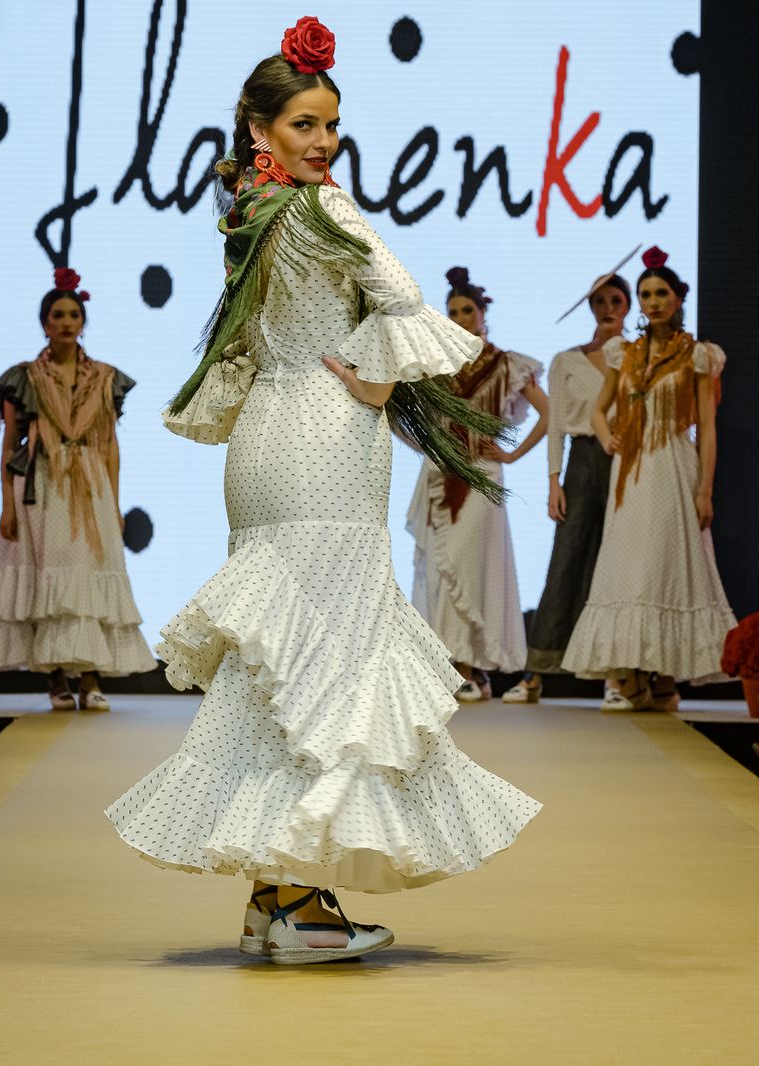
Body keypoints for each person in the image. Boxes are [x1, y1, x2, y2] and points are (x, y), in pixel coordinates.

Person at [107, 18, 540, 966]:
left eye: (331, 125)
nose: (323, 142)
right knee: (333, 663)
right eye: (305, 123)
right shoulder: (323, 210)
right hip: (328, 442)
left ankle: (278, 893)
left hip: (265, 442)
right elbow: (402, 293)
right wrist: (381, 380)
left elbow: (249, 346)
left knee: (279, 662)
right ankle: (301, 904)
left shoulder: (245, 213)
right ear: (259, 128)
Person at [0, 269, 156, 710]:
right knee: (49, 576)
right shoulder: (22, 378)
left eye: (74, 314)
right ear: (44, 323)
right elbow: (9, 447)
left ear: (84, 322)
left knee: (87, 574)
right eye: (57, 315)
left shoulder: (105, 378)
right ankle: (58, 679)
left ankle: (91, 677)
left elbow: (112, 446)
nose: (66, 322)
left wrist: (115, 503)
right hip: (40, 485)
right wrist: (6, 506)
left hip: (89, 486)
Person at [561, 247, 737, 710]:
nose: (653, 301)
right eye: (645, 294)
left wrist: (704, 489)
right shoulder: (625, 353)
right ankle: (631, 674)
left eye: (661, 293)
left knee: (664, 565)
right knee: (627, 565)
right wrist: (607, 438)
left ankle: (662, 677)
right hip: (631, 470)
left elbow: (708, 428)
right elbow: (600, 411)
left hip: (672, 464)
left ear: (678, 298)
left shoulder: (697, 355)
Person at [406, 266, 546, 701]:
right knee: (442, 572)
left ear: (483, 313)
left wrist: (512, 452)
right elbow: (402, 415)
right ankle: (461, 670)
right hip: (441, 473)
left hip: (482, 478)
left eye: (467, 310)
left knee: (470, 568)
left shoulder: (507, 365)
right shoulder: (434, 365)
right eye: (453, 311)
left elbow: (550, 413)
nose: (461, 317)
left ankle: (471, 668)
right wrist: (429, 445)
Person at [515, 268, 633, 700]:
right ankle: (536, 673)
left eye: (616, 302)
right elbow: (558, 426)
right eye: (599, 302)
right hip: (583, 462)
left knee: (616, 567)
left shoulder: (638, 359)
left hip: (627, 462)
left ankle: (615, 676)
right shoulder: (567, 360)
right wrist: (553, 481)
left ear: (627, 307)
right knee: (566, 558)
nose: (607, 310)